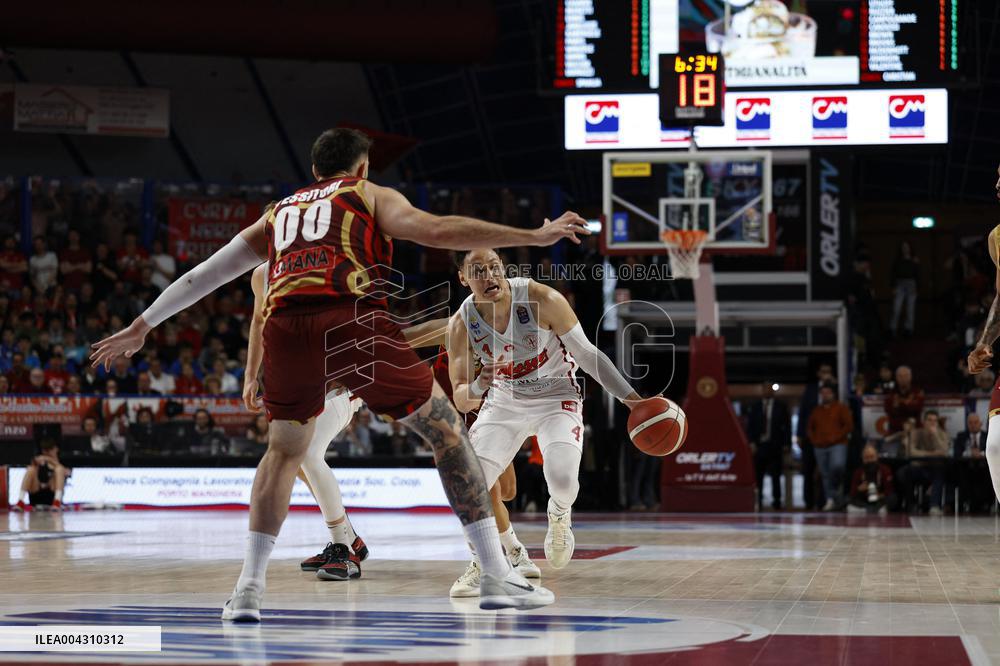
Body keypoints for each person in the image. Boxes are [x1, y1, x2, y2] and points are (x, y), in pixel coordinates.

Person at [90, 127, 587, 620]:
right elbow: (437, 231)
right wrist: (533, 236)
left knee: (284, 452)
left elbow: (207, 274)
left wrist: (142, 325)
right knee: (448, 433)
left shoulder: (279, 212)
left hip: (283, 330)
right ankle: (497, 576)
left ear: (313, 170)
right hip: (348, 320)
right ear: (363, 167)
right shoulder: (366, 193)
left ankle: (248, 590)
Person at [445, 248, 645, 596]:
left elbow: (586, 355)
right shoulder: (462, 323)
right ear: (463, 278)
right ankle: (485, 562)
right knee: (465, 484)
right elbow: (462, 395)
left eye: (494, 267)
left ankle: (559, 513)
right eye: (478, 271)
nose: (490, 276)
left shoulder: (540, 297)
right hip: (504, 402)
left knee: (564, 478)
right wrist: (479, 383)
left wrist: (633, 401)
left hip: (556, 395)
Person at [806, 382, 853, 511]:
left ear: (833, 394)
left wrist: (836, 437)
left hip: (838, 444)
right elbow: (810, 428)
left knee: (837, 466)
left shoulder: (841, 408)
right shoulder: (816, 411)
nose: (825, 395)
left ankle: (836, 496)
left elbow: (848, 426)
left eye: (828, 393)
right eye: (823, 393)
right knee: (825, 474)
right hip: (820, 446)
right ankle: (831, 499)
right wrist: (815, 440)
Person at [746, 382, 791, 510]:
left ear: (773, 391)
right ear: (762, 391)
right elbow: (750, 427)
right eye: (765, 389)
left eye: (769, 389)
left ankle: (776, 501)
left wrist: (787, 443)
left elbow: (787, 427)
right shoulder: (755, 407)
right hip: (759, 446)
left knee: (776, 475)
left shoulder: (781, 407)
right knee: (758, 475)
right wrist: (751, 443)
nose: (767, 391)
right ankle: (758, 500)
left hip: (775, 445)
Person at [796, 362, 834, 509]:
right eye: (823, 371)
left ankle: (824, 502)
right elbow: (803, 411)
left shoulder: (835, 388)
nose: (826, 374)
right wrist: (799, 434)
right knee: (808, 469)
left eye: (828, 371)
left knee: (825, 471)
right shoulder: (811, 389)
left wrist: (832, 384)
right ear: (818, 373)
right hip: (810, 437)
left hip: (828, 438)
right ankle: (808, 502)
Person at [898, 410, 950, 515]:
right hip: (919, 467)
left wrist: (935, 435)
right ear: (924, 421)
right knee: (904, 472)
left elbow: (944, 452)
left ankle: (934, 506)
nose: (932, 423)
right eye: (929, 420)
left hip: (935, 468)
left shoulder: (943, 434)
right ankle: (911, 504)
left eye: (935, 421)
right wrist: (932, 454)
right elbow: (911, 452)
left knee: (940, 473)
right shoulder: (916, 433)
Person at [954, 413, 993, 513]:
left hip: (985, 469)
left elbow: (993, 452)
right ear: (967, 424)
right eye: (970, 423)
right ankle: (966, 503)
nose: (973, 425)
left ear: (980, 423)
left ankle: (987, 504)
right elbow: (957, 453)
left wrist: (981, 453)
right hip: (966, 469)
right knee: (960, 473)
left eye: (975, 422)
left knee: (989, 474)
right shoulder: (961, 436)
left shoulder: (988, 436)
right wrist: (969, 453)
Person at [12, 441, 67, 511]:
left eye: (50, 449)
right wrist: (37, 463)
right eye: (46, 450)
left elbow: (64, 471)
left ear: (56, 449)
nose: (48, 452)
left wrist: (50, 460)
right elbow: (31, 471)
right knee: (31, 469)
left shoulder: (62, 461)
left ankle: (57, 502)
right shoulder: (40, 459)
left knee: (59, 469)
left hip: (52, 494)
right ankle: (20, 501)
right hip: (37, 491)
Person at [847, 444, 895, 515]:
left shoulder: (885, 470)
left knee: (893, 498)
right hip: (864, 499)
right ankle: (868, 509)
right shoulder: (858, 472)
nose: (869, 460)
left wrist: (879, 495)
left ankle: (874, 509)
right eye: (866, 458)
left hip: (880, 499)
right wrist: (859, 489)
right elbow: (852, 492)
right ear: (862, 459)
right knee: (848, 500)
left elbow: (889, 490)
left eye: (872, 457)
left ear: (877, 457)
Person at [890, 239, 920, 337]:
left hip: (911, 284)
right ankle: (893, 329)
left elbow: (917, 274)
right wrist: (893, 286)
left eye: (907, 247)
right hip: (900, 283)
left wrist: (917, 287)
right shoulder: (897, 260)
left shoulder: (914, 260)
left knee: (910, 308)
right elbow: (893, 274)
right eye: (903, 247)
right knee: (896, 308)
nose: (905, 249)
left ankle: (909, 329)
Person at [884, 366, 924, 433]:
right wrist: (908, 403)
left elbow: (917, 408)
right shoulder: (890, 393)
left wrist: (898, 405)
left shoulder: (918, 392)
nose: (903, 378)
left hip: (915, 432)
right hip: (895, 431)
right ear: (896, 378)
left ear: (911, 377)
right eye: (900, 376)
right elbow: (889, 410)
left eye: (906, 375)